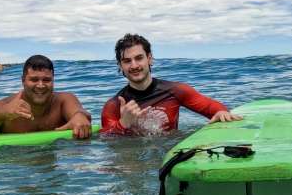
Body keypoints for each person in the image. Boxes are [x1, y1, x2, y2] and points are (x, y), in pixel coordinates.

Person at [101, 34, 241, 135]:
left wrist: (221, 111)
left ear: (150, 59)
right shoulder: (114, 105)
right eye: (127, 61)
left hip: (169, 152)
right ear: (120, 66)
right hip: (134, 163)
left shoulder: (175, 90)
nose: (134, 65)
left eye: (139, 58)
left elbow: (212, 108)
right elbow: (107, 142)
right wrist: (124, 123)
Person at [0, 55, 93, 138]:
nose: (41, 85)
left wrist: (80, 117)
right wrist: (1, 113)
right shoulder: (4, 106)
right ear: (23, 80)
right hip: (16, 169)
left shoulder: (64, 100)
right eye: (34, 79)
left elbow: (77, 111)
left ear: (53, 80)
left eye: (46, 80)